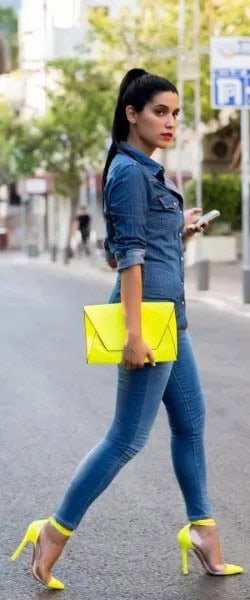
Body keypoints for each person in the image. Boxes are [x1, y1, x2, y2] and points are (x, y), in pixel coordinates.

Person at [11, 68, 243, 590]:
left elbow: (148, 248)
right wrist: (133, 334)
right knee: (126, 439)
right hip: (149, 319)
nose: (170, 122)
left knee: (191, 423)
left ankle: (203, 533)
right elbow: (128, 258)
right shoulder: (130, 172)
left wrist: (180, 233)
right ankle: (52, 532)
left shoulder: (150, 172)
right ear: (131, 114)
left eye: (176, 113)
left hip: (170, 317)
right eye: (160, 111)